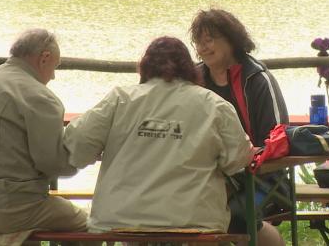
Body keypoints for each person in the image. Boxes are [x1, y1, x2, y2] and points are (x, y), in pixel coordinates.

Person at [63, 36, 253, 233]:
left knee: (132, 230)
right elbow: (237, 159)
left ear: (145, 66)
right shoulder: (215, 104)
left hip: (119, 218)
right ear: (190, 68)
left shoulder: (121, 99)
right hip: (194, 220)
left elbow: (77, 144)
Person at [0, 28, 87, 234]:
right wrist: (83, 154)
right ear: (45, 57)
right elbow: (53, 164)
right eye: (55, 67)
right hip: (12, 208)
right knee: (88, 224)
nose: (54, 76)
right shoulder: (40, 96)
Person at [189, 8, 288, 246]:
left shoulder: (257, 79)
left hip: (263, 179)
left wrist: (238, 170)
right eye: (197, 42)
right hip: (205, 177)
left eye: (209, 39)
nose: (203, 47)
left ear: (231, 40)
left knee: (232, 217)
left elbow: (277, 140)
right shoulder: (194, 80)